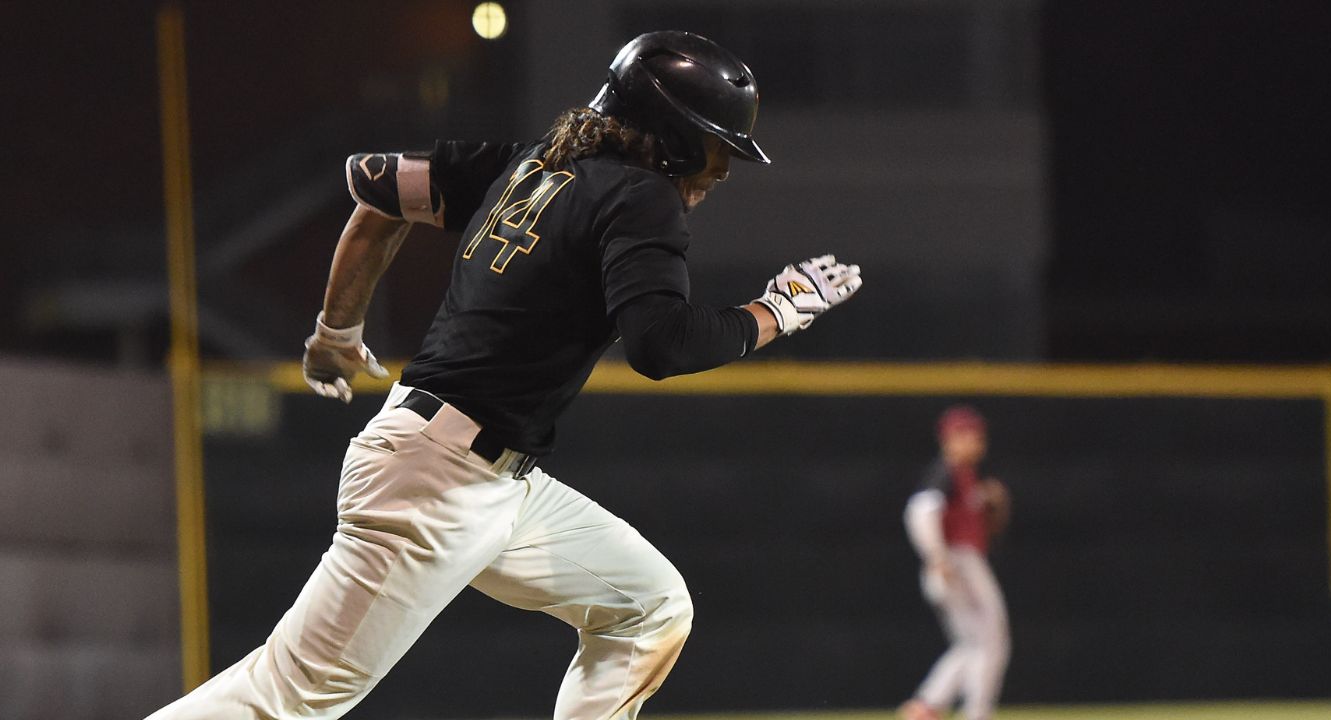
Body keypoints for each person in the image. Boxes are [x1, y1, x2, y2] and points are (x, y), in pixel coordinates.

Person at [145, 31, 863, 720]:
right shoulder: (643, 196)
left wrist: (336, 332)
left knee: (651, 606)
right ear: (670, 133)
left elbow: (377, 186)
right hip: (435, 483)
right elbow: (661, 347)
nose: (722, 167)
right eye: (715, 143)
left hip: (487, 479)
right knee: (291, 696)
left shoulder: (531, 164)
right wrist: (779, 309)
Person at [898, 406, 1012, 720]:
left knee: (973, 644)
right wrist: (937, 556)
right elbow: (920, 512)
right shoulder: (945, 471)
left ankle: (926, 706)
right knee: (992, 641)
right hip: (957, 562)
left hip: (954, 561)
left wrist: (982, 499)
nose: (977, 441)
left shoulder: (963, 476)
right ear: (951, 438)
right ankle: (976, 713)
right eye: (969, 434)